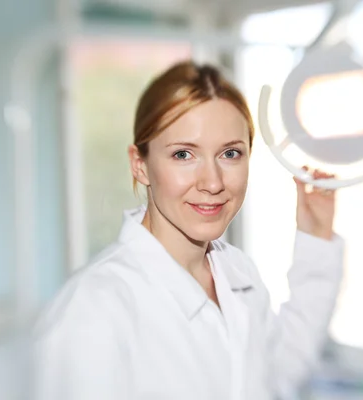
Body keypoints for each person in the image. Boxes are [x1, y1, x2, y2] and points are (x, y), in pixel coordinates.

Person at [32, 61, 345, 400]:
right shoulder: (93, 310)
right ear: (140, 165)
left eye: (230, 153)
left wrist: (315, 237)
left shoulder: (237, 273)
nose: (212, 182)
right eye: (183, 154)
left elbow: (278, 376)